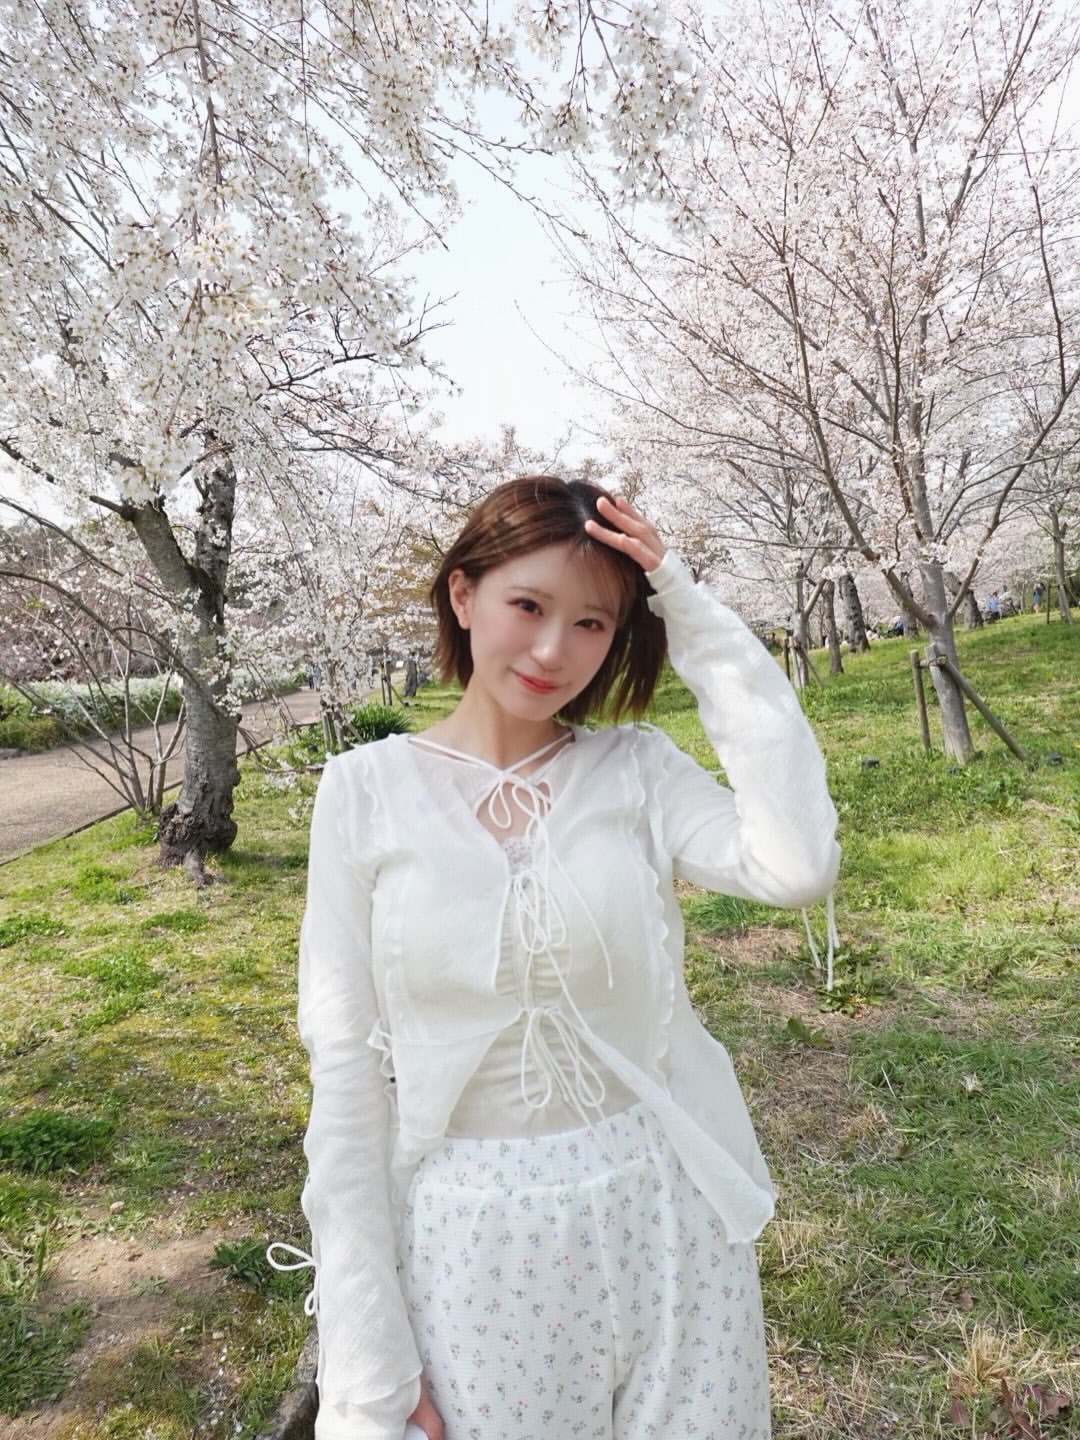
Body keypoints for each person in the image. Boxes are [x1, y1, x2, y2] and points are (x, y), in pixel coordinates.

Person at [282, 477, 840, 1440]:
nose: (553, 651)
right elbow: (344, 1072)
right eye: (528, 606)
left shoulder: (637, 772)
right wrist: (368, 1363)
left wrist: (686, 604)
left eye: (591, 623)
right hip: (476, 1245)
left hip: (669, 1215)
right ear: (464, 595)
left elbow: (798, 864)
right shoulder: (364, 793)